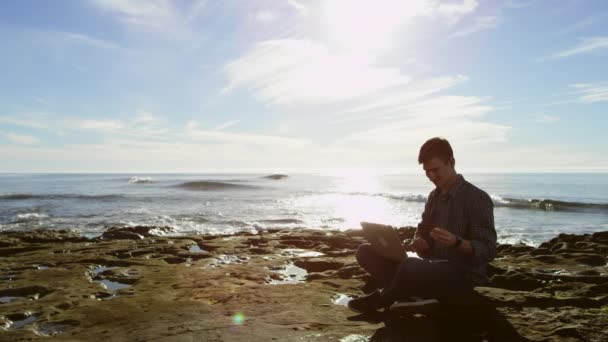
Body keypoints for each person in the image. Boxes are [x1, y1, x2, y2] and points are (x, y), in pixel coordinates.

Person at [348, 137, 497, 314]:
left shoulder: (477, 198)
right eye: (427, 171)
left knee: (411, 266)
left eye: (436, 170)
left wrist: (457, 242)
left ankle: (384, 298)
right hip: (430, 268)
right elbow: (423, 231)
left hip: (461, 274)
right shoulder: (434, 197)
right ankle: (414, 296)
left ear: (451, 162)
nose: (431, 176)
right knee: (365, 251)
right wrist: (420, 241)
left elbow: (487, 250)